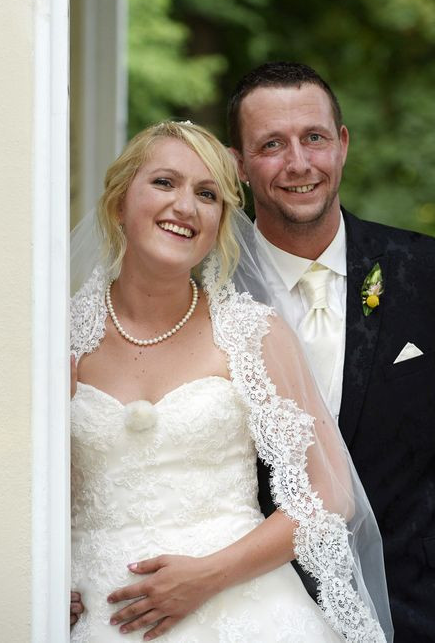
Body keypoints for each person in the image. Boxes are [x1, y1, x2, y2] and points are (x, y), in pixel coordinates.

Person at [69, 120, 392, 642]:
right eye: (164, 183)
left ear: (220, 223)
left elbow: (329, 495)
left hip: (245, 612)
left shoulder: (252, 333)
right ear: (117, 204)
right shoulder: (61, 340)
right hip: (100, 618)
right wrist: (44, 577)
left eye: (207, 194)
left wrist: (205, 576)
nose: (185, 206)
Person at [227, 61, 435, 643]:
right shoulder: (202, 295)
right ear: (239, 164)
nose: (298, 163)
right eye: (271, 144)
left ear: (342, 145)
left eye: (314, 138)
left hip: (418, 610)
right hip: (254, 612)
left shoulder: (428, 273)